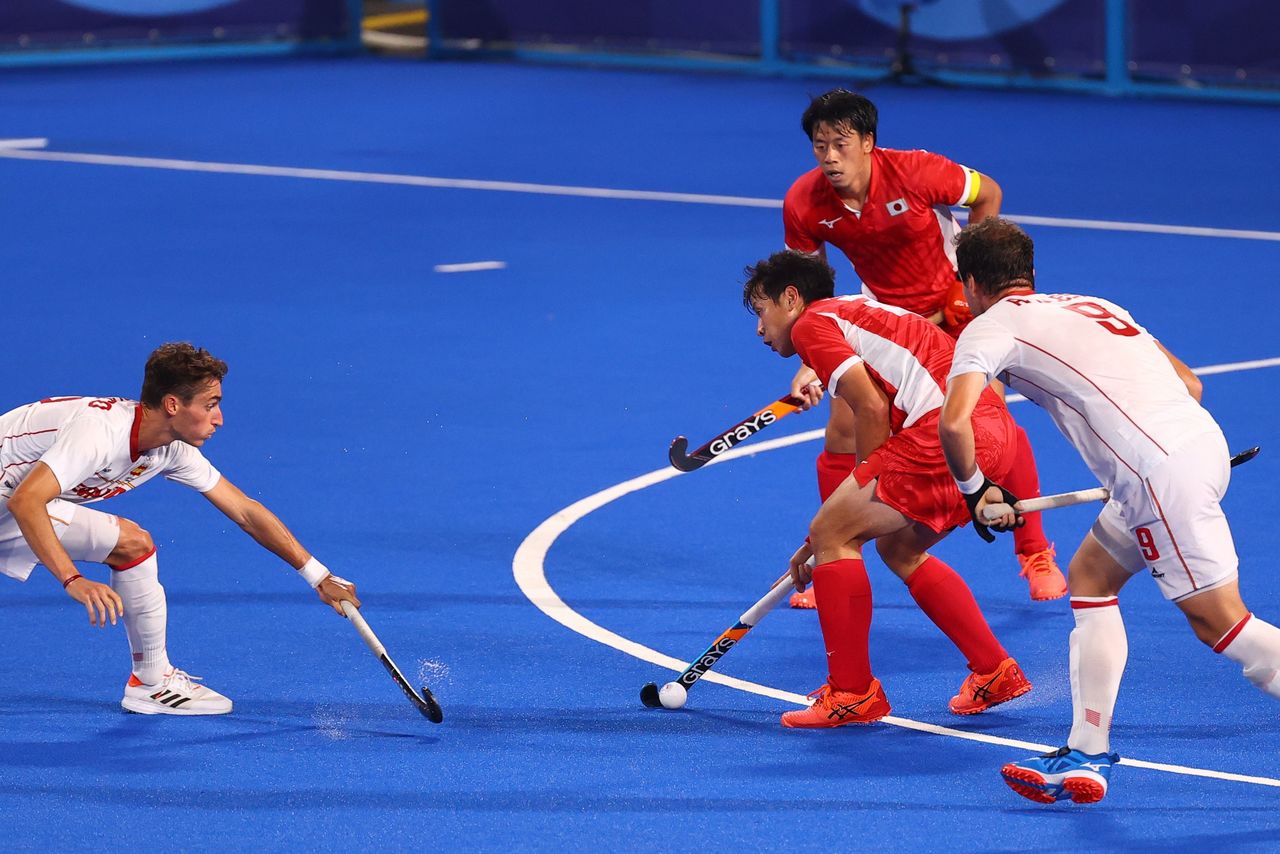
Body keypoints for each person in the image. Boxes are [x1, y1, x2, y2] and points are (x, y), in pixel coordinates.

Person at [939, 218, 1280, 804]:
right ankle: (1087, 751)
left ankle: (1090, 751)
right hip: (1203, 446)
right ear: (1029, 271)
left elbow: (954, 419)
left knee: (1221, 623)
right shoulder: (1094, 303)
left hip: (1156, 477)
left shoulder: (987, 326)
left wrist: (975, 491)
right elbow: (1192, 385)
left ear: (968, 281)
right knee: (1091, 577)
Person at [781, 88, 1064, 605]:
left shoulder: (917, 172)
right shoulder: (803, 202)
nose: (829, 156)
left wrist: (964, 285)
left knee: (993, 423)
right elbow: (806, 286)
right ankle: (836, 554)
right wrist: (810, 359)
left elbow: (989, 194)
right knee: (842, 432)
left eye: (841, 143)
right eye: (819, 145)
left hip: (955, 318)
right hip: (888, 324)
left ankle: (1034, 550)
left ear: (868, 142)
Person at [745, 249, 1032, 728]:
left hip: (950, 433)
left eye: (761, 311)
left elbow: (872, 409)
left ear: (791, 298)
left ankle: (853, 694)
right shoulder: (859, 313)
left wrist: (840, 511)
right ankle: (994, 670)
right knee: (899, 549)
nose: (760, 329)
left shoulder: (812, 324)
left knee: (833, 532)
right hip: (991, 431)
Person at [0, 342, 360, 716]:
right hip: (13, 500)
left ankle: (151, 684)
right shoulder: (99, 434)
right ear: (173, 404)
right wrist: (72, 579)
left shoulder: (170, 449)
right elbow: (26, 501)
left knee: (133, 547)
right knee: (125, 541)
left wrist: (318, 575)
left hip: (10, 502)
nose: (219, 418)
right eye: (209, 405)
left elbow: (245, 511)